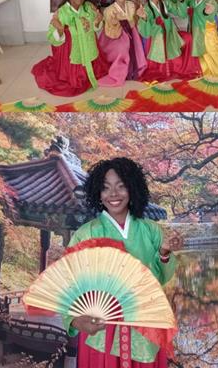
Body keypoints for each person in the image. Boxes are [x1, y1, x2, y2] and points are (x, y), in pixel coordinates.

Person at [65, 157, 182, 367]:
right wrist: (74, 320)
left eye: (121, 186)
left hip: (144, 324)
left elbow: (161, 279)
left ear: (132, 189)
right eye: (105, 188)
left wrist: (164, 253)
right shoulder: (85, 234)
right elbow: (68, 286)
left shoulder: (151, 230)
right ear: (98, 194)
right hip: (101, 328)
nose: (113, 194)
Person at [31, 0, 107, 97]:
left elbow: (95, 28)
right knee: (72, 84)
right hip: (72, 57)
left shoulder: (88, 8)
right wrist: (61, 30)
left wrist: (98, 22)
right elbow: (52, 37)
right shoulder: (62, 13)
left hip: (89, 50)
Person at [136, 0, 201, 83]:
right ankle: (173, 66)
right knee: (173, 66)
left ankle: (189, 66)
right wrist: (143, 18)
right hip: (158, 43)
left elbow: (182, 14)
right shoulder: (146, 8)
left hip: (171, 36)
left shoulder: (165, 2)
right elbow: (146, 33)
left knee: (188, 37)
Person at [98, 0, 147, 86]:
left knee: (140, 39)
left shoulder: (131, 5)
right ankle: (121, 71)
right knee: (123, 47)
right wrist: (119, 22)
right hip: (114, 37)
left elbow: (134, 22)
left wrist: (138, 16)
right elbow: (111, 29)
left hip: (131, 33)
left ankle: (135, 67)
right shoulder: (109, 10)